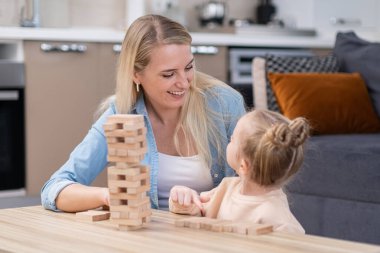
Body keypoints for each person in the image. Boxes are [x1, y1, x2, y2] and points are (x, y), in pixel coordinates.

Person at [41, 14, 246, 212]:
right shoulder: (122, 116)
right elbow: (55, 187)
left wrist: (203, 204)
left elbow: (254, 187)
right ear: (136, 74)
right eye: (169, 74)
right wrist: (110, 196)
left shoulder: (224, 104)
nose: (184, 82)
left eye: (189, 67)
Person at [169, 109, 309, 233]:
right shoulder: (226, 188)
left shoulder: (278, 220)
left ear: (243, 166)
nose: (229, 140)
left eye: (232, 139)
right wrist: (183, 200)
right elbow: (196, 211)